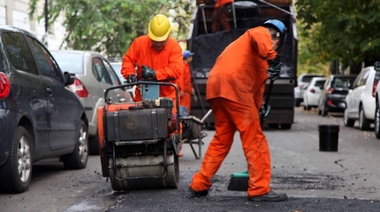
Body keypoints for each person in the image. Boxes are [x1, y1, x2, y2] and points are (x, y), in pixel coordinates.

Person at [188, 19, 288, 202]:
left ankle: (199, 183)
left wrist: (259, 109)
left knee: (221, 139)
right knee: (255, 139)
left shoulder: (259, 59)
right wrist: (272, 56)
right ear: (276, 39)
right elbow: (258, 35)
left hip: (218, 87)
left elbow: (257, 91)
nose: (273, 41)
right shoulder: (261, 32)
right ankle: (259, 188)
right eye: (274, 40)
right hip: (234, 87)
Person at [121, 14, 183, 113]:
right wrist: (130, 74)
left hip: (168, 98)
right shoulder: (139, 43)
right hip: (142, 98)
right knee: (140, 125)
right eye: (155, 41)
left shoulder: (174, 48)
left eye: (162, 41)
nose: (158, 44)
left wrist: (155, 74)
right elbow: (128, 61)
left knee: (172, 126)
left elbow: (176, 69)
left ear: (168, 35)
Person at [179, 50, 195, 115]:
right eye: (190, 56)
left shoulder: (187, 66)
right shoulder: (183, 67)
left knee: (186, 110)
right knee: (183, 110)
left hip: (187, 93)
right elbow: (181, 79)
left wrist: (191, 89)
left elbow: (187, 80)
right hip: (184, 93)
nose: (192, 58)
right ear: (187, 57)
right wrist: (181, 90)